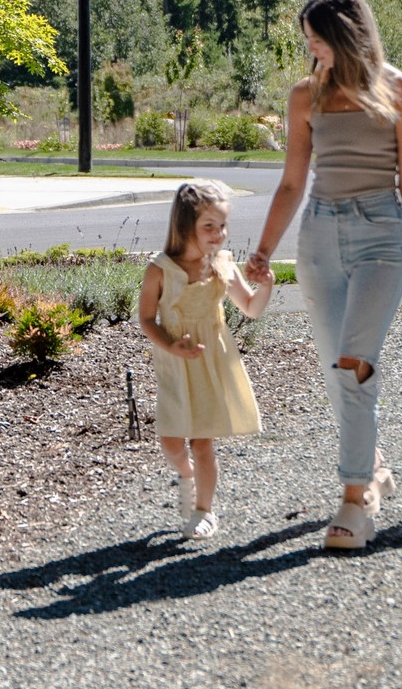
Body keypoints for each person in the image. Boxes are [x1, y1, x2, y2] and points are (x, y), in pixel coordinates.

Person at [245, 0, 402, 550]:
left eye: (318, 41)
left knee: (353, 365)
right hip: (319, 237)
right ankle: (372, 464)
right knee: (336, 370)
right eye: (308, 42)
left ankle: (356, 503)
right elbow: (292, 181)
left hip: (381, 236)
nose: (312, 51)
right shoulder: (306, 96)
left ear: (346, 38)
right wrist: (262, 250)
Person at [138, 179, 271, 540]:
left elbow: (251, 308)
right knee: (171, 440)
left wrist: (267, 286)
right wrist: (171, 346)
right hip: (175, 362)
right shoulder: (160, 269)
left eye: (222, 226)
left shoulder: (223, 265)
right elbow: (147, 318)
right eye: (208, 227)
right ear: (185, 226)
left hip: (210, 362)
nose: (218, 234)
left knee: (202, 441)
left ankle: (204, 511)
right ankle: (187, 476)